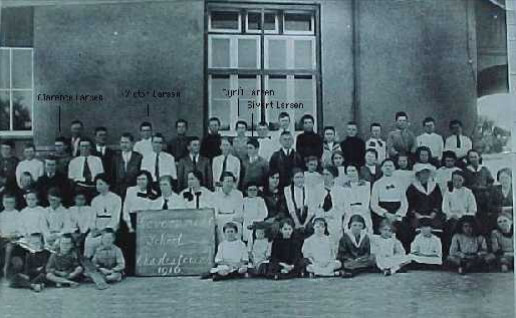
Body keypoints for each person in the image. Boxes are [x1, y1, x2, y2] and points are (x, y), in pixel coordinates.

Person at [121, 171, 158, 275]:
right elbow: (126, 208)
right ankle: (130, 269)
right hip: (132, 220)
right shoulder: (130, 190)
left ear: (148, 180)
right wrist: (129, 225)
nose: (141, 182)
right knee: (131, 244)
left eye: (143, 179)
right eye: (139, 179)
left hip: (146, 221)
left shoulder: (153, 193)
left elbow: (153, 210)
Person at [370, 159, 409, 247]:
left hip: (397, 213)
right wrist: (385, 214)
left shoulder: (400, 183)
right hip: (383, 213)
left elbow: (404, 202)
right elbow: (374, 204)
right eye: (386, 166)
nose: (388, 168)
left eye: (390, 166)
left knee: (404, 230)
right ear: (382, 168)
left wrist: (398, 215)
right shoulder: (377, 184)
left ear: (394, 168)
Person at [84, 174, 122, 258]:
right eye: (97, 184)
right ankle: (89, 264)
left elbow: (116, 217)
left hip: (110, 227)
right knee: (88, 241)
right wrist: (93, 229)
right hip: (98, 226)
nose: (98, 187)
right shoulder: (95, 200)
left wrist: (106, 230)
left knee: (99, 241)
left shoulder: (116, 198)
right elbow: (92, 217)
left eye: (101, 184)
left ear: (108, 184)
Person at [442, 170, 477, 251]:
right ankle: (452, 249)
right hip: (453, 217)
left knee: (469, 226)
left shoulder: (468, 192)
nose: (457, 182)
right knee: (453, 226)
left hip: (466, 216)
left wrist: (467, 216)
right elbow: (445, 208)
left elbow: (473, 207)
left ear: (463, 180)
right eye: (454, 180)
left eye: (459, 180)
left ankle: (470, 248)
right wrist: (451, 215)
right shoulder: (448, 192)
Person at [313, 166, 347, 245]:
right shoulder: (317, 189)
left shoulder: (341, 190)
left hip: (335, 220)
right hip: (320, 218)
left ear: (334, 176)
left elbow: (346, 210)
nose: (325, 177)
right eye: (323, 174)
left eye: (327, 175)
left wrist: (344, 225)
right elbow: (313, 207)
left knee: (335, 240)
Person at [406, 163, 444, 232]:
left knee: (437, 226)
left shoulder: (435, 186)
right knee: (414, 226)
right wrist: (415, 214)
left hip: (432, 214)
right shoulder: (412, 187)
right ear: (418, 174)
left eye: (427, 173)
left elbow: (439, 201)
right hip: (418, 214)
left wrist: (434, 212)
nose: (425, 175)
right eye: (423, 173)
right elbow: (409, 203)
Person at [463, 149, 494, 233]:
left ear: (479, 157)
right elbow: (464, 184)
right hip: (472, 197)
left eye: (475, 157)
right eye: (471, 157)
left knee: (486, 218)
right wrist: (474, 187)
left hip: (485, 198)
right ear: (468, 159)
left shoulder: (484, 169)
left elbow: (491, 181)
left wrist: (485, 188)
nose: (473, 159)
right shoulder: (465, 171)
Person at [284, 168, 316, 239]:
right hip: (294, 216)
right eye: (297, 177)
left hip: (306, 216)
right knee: (293, 229)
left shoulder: (309, 189)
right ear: (292, 179)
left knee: (310, 227)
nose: (299, 180)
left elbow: (311, 208)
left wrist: (305, 224)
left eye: (301, 177)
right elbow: (290, 206)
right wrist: (297, 223)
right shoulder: (287, 189)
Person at [213, 172, 244, 242]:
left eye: (232, 182)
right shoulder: (214, 196)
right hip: (220, 225)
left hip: (235, 224)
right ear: (221, 182)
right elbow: (215, 216)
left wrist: (222, 215)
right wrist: (232, 216)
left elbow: (239, 215)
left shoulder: (238, 194)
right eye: (228, 181)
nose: (230, 184)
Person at [342, 164, 373, 233]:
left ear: (358, 172)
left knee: (367, 231)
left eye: (353, 171)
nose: (351, 173)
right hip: (349, 211)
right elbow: (345, 202)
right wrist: (350, 213)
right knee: (348, 230)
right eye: (348, 171)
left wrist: (360, 212)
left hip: (364, 211)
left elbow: (366, 201)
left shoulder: (366, 185)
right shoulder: (343, 187)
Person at [0, 193, 23, 278]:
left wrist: (15, 235)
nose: (8, 205)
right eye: (6, 202)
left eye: (11, 202)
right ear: (3, 203)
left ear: (15, 203)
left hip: (14, 239)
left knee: (9, 247)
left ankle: (6, 267)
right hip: (3, 238)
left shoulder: (18, 214)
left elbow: (21, 229)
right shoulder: (1, 215)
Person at [262, 171, 288, 239]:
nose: (275, 180)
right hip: (264, 218)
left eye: (277, 178)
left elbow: (283, 210)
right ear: (268, 179)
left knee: (277, 226)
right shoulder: (262, 193)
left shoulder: (282, 193)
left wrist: (274, 218)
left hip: (278, 219)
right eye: (272, 178)